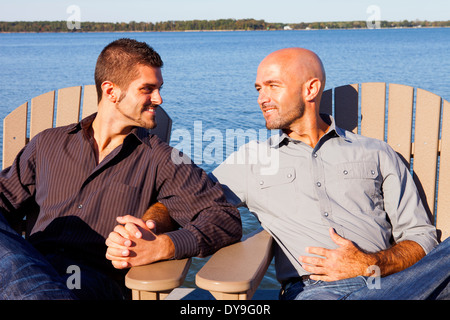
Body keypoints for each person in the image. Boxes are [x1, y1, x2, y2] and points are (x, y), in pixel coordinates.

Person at [0, 38, 241, 300]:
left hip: (91, 280)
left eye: (159, 88)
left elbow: (223, 218)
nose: (159, 99)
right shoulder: (47, 144)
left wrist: (164, 246)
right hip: (28, 263)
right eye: (147, 89)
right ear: (111, 91)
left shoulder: (162, 160)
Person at [208, 47, 449, 300]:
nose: (262, 98)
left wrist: (370, 263)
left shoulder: (376, 152)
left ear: (310, 89)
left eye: (273, 86)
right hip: (318, 291)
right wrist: (164, 230)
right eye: (259, 89)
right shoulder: (252, 159)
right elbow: (187, 200)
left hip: (395, 282)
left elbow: (421, 237)